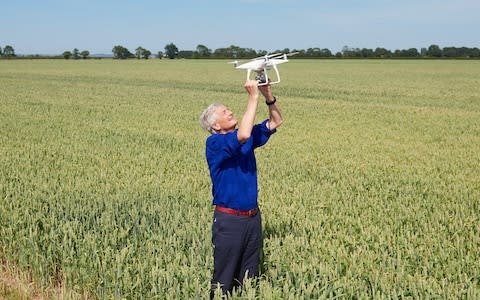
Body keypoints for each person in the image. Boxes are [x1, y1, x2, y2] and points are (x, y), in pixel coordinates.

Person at [199, 79, 283, 297]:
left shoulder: (244, 139)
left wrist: (268, 96)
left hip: (252, 218)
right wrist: (252, 97)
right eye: (224, 112)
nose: (229, 112)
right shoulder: (215, 144)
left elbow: (276, 121)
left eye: (228, 109)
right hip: (230, 222)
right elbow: (243, 134)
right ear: (215, 126)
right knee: (223, 282)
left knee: (248, 280)